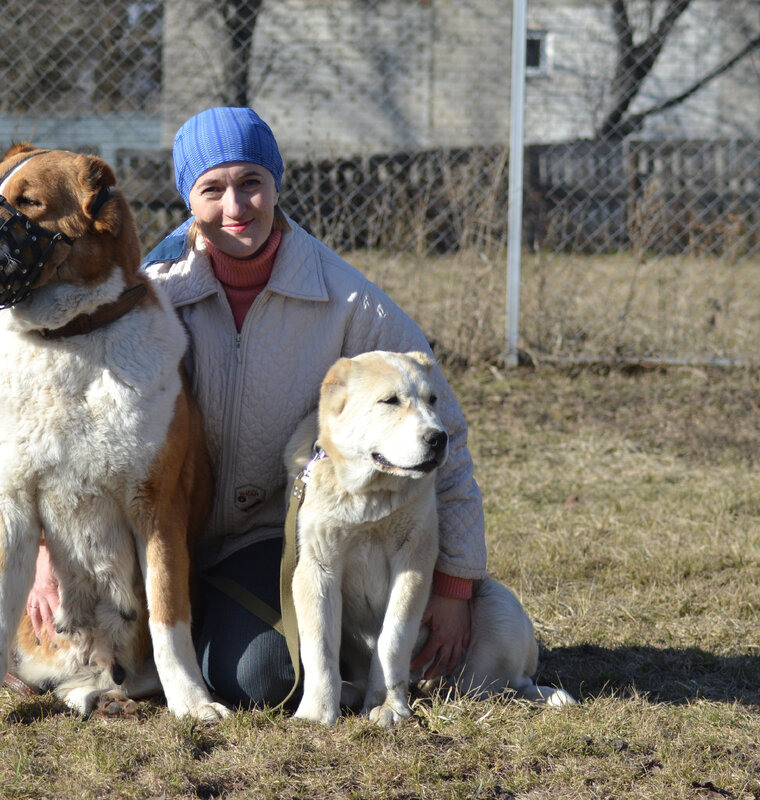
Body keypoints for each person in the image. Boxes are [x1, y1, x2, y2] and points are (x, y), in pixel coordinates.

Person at [27, 106, 487, 708]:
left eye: (251, 182)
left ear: (276, 184)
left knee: (260, 680)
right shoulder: (150, 293)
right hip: (150, 534)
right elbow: (68, 428)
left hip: (266, 542)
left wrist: (454, 585)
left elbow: (440, 435)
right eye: (212, 189)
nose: (236, 206)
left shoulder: (348, 302)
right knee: (55, 652)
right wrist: (46, 551)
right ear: (187, 199)